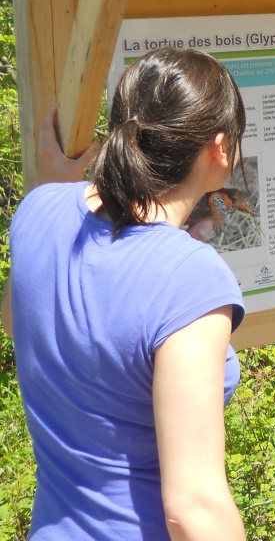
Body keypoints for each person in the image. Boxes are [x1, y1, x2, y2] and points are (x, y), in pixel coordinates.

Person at [1, 48, 248, 540]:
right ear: (220, 147)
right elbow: (193, 508)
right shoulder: (190, 277)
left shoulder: (38, 210)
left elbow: (16, 318)